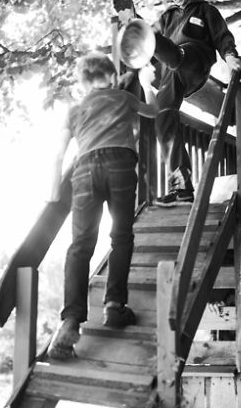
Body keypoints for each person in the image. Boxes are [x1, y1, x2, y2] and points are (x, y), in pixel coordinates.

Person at [46, 53, 159, 360]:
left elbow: (58, 155)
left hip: (83, 172)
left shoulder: (74, 110)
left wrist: (54, 191)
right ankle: (114, 305)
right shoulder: (123, 97)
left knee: (80, 246)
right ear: (111, 75)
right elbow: (154, 111)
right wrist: (147, 84)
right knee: (121, 236)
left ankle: (71, 320)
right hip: (121, 164)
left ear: (83, 82)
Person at [115, 0, 241, 207]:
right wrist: (129, 73)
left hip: (194, 61)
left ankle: (139, 27)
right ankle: (181, 183)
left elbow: (222, 36)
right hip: (172, 71)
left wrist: (230, 57)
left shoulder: (205, 11)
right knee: (162, 114)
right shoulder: (167, 16)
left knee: (176, 54)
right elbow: (155, 47)